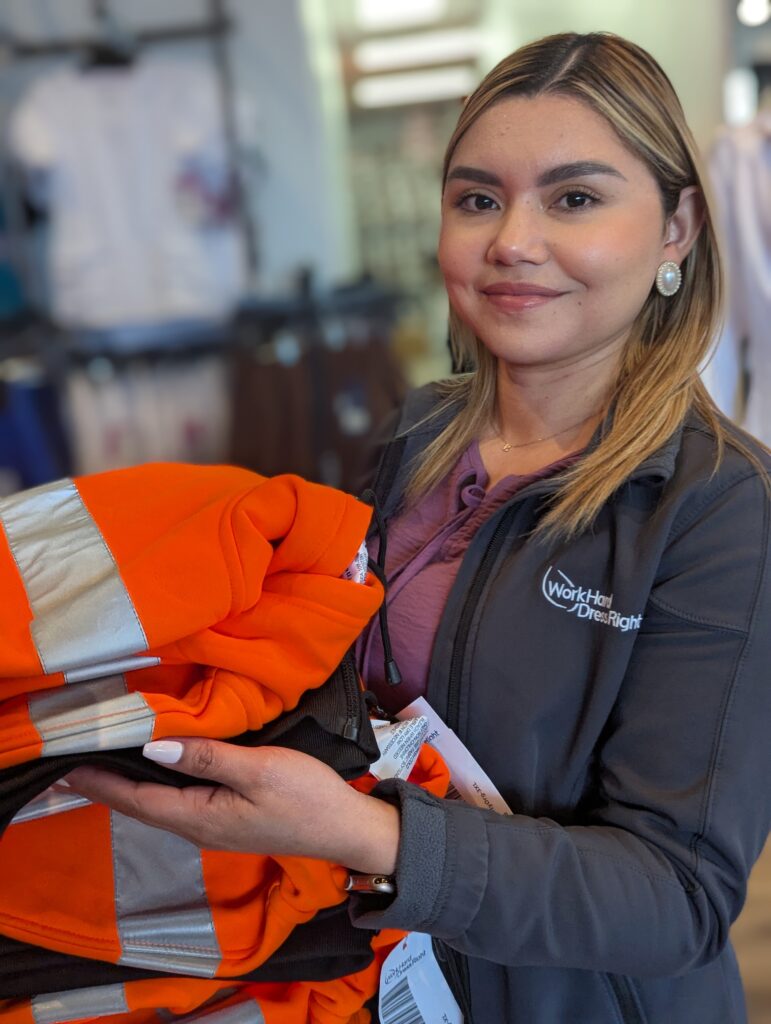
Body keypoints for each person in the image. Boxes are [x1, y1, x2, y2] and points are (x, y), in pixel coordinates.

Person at [63, 31, 771, 1024]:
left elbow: (677, 898)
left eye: (574, 198)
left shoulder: (719, 508)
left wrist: (373, 836)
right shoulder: (421, 434)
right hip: (366, 984)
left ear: (677, 229)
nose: (512, 241)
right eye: (477, 199)